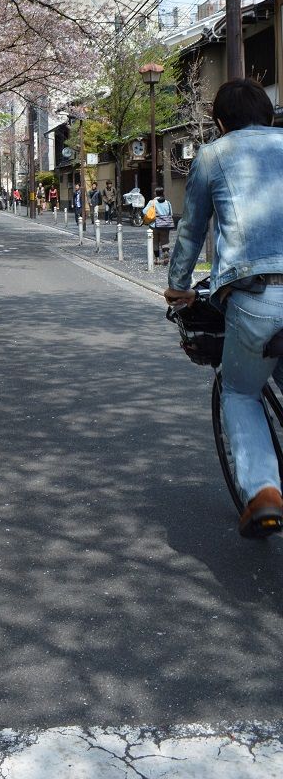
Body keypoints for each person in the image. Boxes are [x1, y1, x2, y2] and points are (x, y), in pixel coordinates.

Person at [164, 78, 283, 539]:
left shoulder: (213, 155)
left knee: (240, 391)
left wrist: (178, 288)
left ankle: (265, 493)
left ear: (218, 122)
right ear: (269, 115)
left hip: (256, 296)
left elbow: (192, 231)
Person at [142, 185, 174, 263]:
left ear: (155, 193)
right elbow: (171, 213)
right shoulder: (168, 202)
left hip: (154, 225)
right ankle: (166, 253)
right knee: (165, 241)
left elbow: (144, 211)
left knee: (155, 241)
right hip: (166, 225)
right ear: (163, 193)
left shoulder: (152, 202)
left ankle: (157, 259)